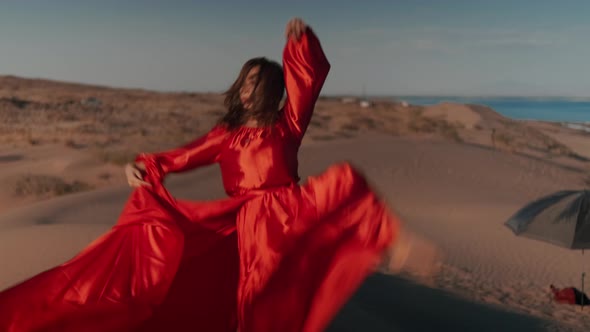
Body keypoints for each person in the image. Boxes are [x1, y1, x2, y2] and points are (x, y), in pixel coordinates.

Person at [0, 18, 438, 332]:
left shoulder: (287, 125)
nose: (247, 88)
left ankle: (391, 240)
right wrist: (144, 165)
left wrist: (300, 46)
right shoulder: (225, 135)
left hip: (289, 211)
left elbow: (307, 82)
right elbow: (181, 156)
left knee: (345, 181)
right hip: (248, 226)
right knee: (253, 299)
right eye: (244, 81)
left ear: (270, 88)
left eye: (256, 82)